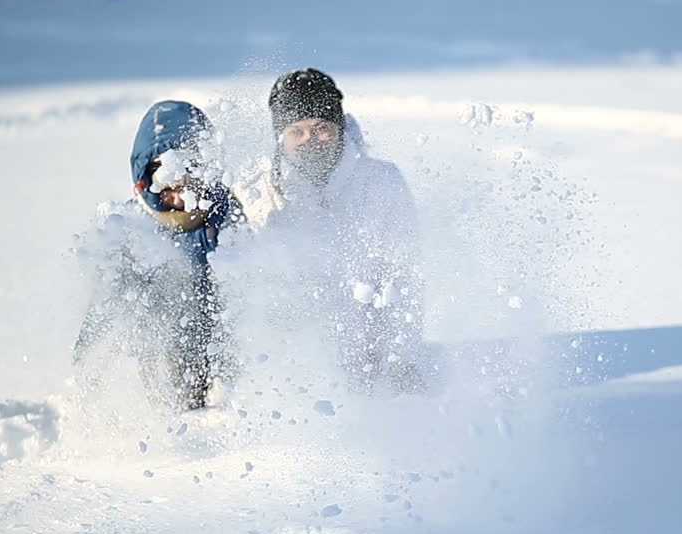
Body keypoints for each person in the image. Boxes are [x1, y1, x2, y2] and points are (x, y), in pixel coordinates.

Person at [234, 68, 425, 393]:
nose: (311, 139)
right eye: (298, 130)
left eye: (322, 128)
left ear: (339, 127)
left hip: (374, 370)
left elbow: (405, 278)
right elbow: (246, 292)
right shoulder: (255, 192)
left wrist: (399, 360)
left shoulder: (381, 182)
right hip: (291, 377)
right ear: (281, 135)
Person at [74, 100, 241, 410]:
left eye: (193, 179)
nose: (181, 197)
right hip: (160, 364)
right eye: (167, 183)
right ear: (143, 180)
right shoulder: (130, 232)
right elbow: (102, 323)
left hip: (227, 359)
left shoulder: (229, 218)